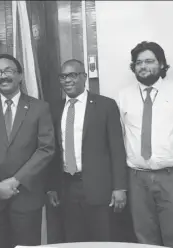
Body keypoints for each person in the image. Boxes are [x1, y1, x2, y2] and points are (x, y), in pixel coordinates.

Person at [116, 41, 173, 248]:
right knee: (144, 238)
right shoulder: (123, 95)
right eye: (138, 63)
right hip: (137, 178)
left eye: (149, 61)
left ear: (161, 64)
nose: (143, 66)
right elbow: (120, 137)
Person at [0, 53, 55, 248]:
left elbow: (46, 149)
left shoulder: (39, 108)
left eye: (8, 71)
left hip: (25, 195)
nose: (3, 76)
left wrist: (15, 180)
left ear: (20, 76)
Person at [46, 59, 127, 242]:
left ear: (84, 77)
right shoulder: (54, 109)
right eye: (63, 76)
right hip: (67, 188)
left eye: (73, 75)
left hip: (99, 188)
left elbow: (117, 148)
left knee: (102, 239)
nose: (67, 80)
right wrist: (52, 187)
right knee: (74, 240)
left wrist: (119, 187)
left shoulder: (106, 105)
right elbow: (53, 152)